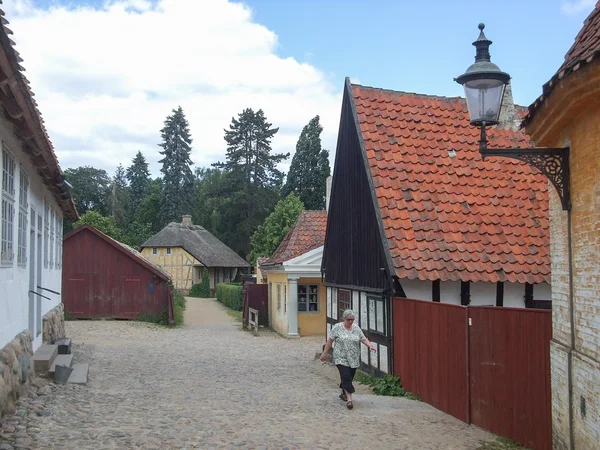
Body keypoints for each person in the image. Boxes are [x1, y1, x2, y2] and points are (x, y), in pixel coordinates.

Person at [320, 309, 376, 409]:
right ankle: (349, 400)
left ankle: (343, 391)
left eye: (352, 319)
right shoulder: (337, 327)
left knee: (349, 376)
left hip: (353, 358)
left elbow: (363, 338)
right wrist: (324, 353)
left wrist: (369, 345)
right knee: (346, 376)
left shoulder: (356, 328)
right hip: (340, 357)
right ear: (344, 318)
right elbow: (330, 341)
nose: (350, 321)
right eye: (348, 319)